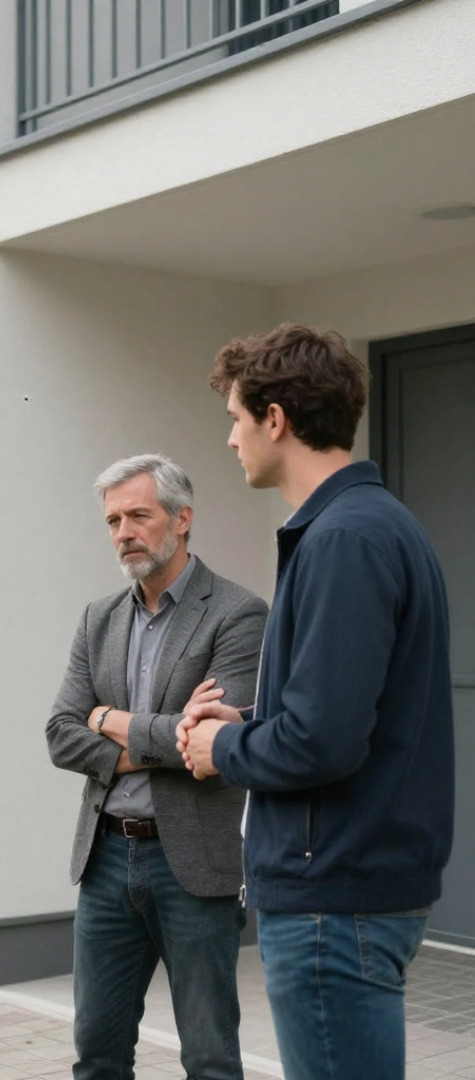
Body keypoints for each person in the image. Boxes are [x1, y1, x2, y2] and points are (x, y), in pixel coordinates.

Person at [178, 323, 454, 1080]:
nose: (231, 439)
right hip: (349, 884)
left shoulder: (344, 540)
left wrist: (220, 748)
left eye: (237, 418)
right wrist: (253, 723)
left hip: (334, 896)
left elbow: (326, 742)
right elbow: (337, 715)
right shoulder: (367, 526)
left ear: (277, 419)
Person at [46, 454, 267, 1080]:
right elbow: (60, 734)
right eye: (113, 519)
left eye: (138, 515)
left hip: (193, 862)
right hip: (106, 857)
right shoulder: (99, 618)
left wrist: (107, 717)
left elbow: (217, 746)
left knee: (210, 1057)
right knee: (97, 1053)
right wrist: (167, 733)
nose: (123, 531)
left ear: (182, 518)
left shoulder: (238, 613)